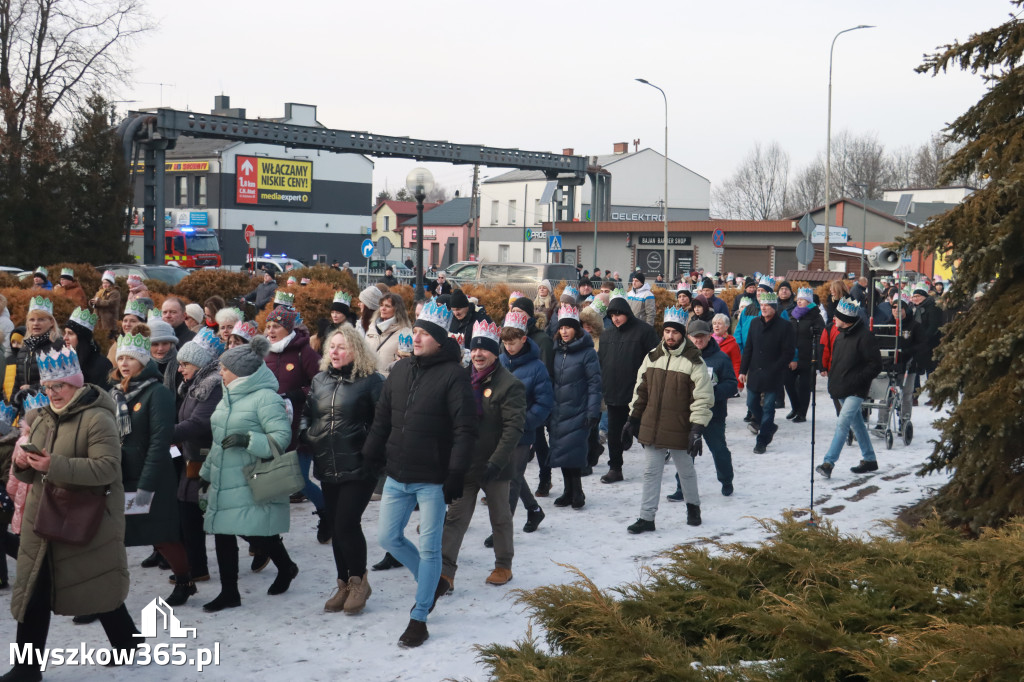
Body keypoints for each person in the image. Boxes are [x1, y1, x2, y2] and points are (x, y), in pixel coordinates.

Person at [5, 348, 141, 681]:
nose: (52, 393)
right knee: (34, 590)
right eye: (48, 387)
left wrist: (55, 465)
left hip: (86, 517)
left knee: (91, 581)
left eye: (60, 386)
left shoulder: (98, 418)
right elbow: (31, 470)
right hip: (44, 517)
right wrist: (21, 464)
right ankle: (27, 668)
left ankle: (127, 640)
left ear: (77, 384)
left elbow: (108, 469)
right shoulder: (41, 417)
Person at [360, 299, 476, 648]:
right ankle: (433, 580)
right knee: (388, 539)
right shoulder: (400, 371)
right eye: (417, 332)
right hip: (397, 473)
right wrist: (369, 455)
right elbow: (382, 419)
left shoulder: (454, 375)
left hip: (433, 478)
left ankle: (420, 615)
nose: (417, 337)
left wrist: (455, 474)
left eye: (425, 333)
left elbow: (465, 430)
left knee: (430, 550)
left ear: (440, 339)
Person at [200, 335, 299, 612]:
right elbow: (217, 438)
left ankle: (286, 566)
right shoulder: (227, 395)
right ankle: (229, 592)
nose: (220, 372)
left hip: (252, 477)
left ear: (241, 372)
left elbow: (281, 437)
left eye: (225, 368)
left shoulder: (265, 398)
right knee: (223, 533)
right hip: (224, 477)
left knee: (258, 533)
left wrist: (248, 440)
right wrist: (207, 473)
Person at [436, 320, 525, 600]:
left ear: (495, 353)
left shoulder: (510, 385)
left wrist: (495, 463)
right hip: (465, 464)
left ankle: (503, 565)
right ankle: (445, 571)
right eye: (475, 349)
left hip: (495, 466)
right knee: (455, 519)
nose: (478, 355)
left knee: (500, 517)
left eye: (484, 350)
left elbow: (513, 429)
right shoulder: (460, 378)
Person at [301, 325, 384, 614]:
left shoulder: (371, 382)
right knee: (337, 526)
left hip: (360, 466)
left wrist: (370, 451)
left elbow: (382, 423)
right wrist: (309, 436)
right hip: (327, 462)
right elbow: (307, 414)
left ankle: (359, 582)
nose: (334, 352)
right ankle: (343, 583)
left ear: (356, 351)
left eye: (341, 347)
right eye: (331, 347)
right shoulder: (319, 380)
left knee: (348, 523)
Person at [110, 329, 196, 606]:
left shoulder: (156, 393)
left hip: (152, 478)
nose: (124, 363)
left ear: (143, 362)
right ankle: (106, 595)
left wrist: (146, 486)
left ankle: (184, 580)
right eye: (121, 358)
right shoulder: (115, 393)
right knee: (114, 537)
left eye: (130, 359)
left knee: (161, 537)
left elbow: (160, 441)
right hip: (122, 475)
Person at [623, 309, 714, 533]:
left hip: (680, 427)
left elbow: (702, 398)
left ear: (683, 334)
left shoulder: (695, 362)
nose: (670, 336)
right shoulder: (653, 356)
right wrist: (632, 418)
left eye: (674, 332)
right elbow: (641, 389)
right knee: (650, 472)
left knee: (685, 471)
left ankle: (693, 507)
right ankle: (646, 518)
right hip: (652, 424)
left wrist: (696, 429)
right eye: (667, 331)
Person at [262, 302, 326, 542]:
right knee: (272, 481)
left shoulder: (304, 352)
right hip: (270, 426)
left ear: (287, 328)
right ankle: (269, 535)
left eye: (276, 326)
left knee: (298, 480)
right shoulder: (264, 351)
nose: (270, 330)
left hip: (299, 426)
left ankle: (326, 512)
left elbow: (322, 382)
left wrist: (298, 394)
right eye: (268, 325)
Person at [173, 329, 224, 587]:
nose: (180, 369)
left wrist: (165, 434)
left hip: (208, 460)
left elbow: (200, 423)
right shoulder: (192, 385)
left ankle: (269, 549)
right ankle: (197, 567)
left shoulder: (212, 385)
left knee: (221, 520)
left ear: (201, 363)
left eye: (185, 364)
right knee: (188, 513)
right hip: (192, 459)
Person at [498, 311, 553, 535]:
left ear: (523, 339)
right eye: (505, 343)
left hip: (522, 431)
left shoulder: (537, 368)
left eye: (512, 343)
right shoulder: (500, 361)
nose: (508, 347)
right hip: (500, 430)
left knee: (510, 480)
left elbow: (544, 403)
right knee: (513, 474)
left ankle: (502, 529)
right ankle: (534, 509)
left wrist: (524, 422)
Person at [815, 297, 882, 478]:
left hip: (856, 389)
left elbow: (875, 365)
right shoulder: (840, 334)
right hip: (841, 386)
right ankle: (869, 459)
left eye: (836, 317)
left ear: (845, 319)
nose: (833, 319)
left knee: (843, 424)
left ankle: (828, 462)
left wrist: (857, 380)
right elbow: (836, 362)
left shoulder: (865, 336)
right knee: (857, 424)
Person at [598, 290, 658, 483]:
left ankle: (654, 465)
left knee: (644, 432)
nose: (615, 319)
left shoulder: (644, 331)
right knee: (614, 434)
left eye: (619, 314)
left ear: (627, 313)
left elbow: (655, 360)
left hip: (638, 394)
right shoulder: (606, 336)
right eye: (612, 315)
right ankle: (615, 468)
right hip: (614, 393)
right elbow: (602, 362)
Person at [547, 304, 602, 509]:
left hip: (578, 410)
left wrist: (592, 411)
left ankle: (577, 491)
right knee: (562, 453)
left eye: (568, 328)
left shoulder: (587, 353)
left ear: (576, 329)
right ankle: (567, 491)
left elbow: (595, 384)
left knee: (575, 453)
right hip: (559, 410)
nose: (564, 331)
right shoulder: (557, 351)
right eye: (561, 328)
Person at [681, 319, 737, 496]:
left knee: (718, 449)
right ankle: (681, 487)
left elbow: (731, 385)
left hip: (713, 414)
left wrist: (710, 392)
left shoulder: (720, 358)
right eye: (694, 337)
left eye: (702, 337)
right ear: (688, 337)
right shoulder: (682, 357)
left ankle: (726, 480)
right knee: (685, 453)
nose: (698, 341)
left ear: (709, 336)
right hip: (688, 413)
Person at [738, 290, 796, 454]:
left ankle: (762, 441)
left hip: (774, 374)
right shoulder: (755, 323)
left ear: (774, 308)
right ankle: (769, 426)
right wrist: (743, 370)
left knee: (769, 408)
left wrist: (776, 368)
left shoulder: (785, 326)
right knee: (751, 403)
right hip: (755, 372)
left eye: (767, 305)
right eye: (762, 305)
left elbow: (788, 352)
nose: (763, 308)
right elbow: (748, 348)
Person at [781, 288, 825, 423]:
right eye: (798, 299)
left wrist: (820, 362)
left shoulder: (816, 317)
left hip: (808, 355)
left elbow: (820, 340)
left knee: (805, 386)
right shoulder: (793, 315)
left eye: (802, 300)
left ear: (809, 301)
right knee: (788, 382)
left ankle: (802, 413)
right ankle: (795, 407)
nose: (799, 302)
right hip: (793, 355)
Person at [14, 297, 62, 397]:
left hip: (49, 404)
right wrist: (13, 407)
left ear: (51, 322)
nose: (36, 323)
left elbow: (61, 381)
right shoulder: (24, 348)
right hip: (25, 407)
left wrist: (32, 388)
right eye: (32, 320)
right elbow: (17, 382)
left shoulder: (58, 347)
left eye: (41, 319)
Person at [364, 292, 412, 376]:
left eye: (387, 306)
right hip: (368, 379)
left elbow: (407, 362)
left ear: (397, 309)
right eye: (381, 305)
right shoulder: (372, 328)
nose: (383, 308)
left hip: (388, 381)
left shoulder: (405, 332)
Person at [62, 308, 111, 389]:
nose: (65, 338)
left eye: (70, 333)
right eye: (65, 333)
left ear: (82, 338)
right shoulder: (63, 360)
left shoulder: (102, 365)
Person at [107, 299, 150, 367]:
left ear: (142, 324)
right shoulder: (116, 345)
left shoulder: (150, 342)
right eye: (125, 321)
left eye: (133, 321)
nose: (127, 324)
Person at [711, 313, 742, 392]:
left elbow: (736, 364)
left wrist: (739, 383)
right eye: (714, 324)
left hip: (724, 379)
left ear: (726, 327)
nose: (716, 326)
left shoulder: (732, 343)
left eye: (719, 323)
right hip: (709, 379)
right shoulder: (708, 340)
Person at [89, 270, 121, 340]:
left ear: (111, 283)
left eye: (107, 283)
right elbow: (95, 302)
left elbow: (110, 303)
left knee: (109, 339)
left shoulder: (115, 293)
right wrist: (91, 302)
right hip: (98, 321)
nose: (104, 285)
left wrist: (98, 302)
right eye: (103, 283)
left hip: (109, 321)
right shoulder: (99, 292)